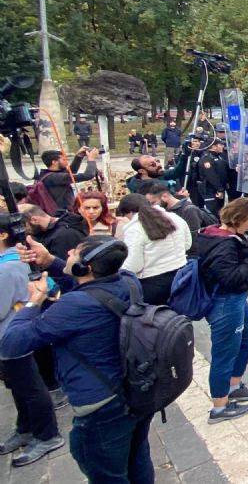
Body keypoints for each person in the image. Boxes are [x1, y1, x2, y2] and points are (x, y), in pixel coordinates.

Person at [1, 236, 150, 480]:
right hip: (134, 388)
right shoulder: (128, 281)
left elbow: (11, 344)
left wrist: (33, 302)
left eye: (75, 252)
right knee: (137, 457)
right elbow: (92, 288)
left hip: (100, 403)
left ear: (85, 267)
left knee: (106, 472)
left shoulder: (74, 306)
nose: (68, 251)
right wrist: (51, 261)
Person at [192, 197, 248, 422]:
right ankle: (219, 406)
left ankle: (233, 384)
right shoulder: (223, 243)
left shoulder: (218, 234)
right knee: (224, 352)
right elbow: (231, 277)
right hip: (225, 301)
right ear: (239, 219)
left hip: (235, 299)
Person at [0, 213, 63, 468]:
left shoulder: (8, 267)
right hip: (13, 335)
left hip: (12, 336)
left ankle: (47, 434)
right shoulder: (12, 261)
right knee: (18, 387)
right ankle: (25, 427)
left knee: (30, 387)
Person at [114, 193, 190, 305]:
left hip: (153, 283)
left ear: (129, 212)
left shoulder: (135, 228)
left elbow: (134, 265)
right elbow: (187, 244)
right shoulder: (174, 217)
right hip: (181, 275)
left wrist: (118, 271)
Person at [34, 148, 99, 212]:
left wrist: (78, 156)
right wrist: (91, 159)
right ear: (54, 162)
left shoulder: (50, 174)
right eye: (64, 159)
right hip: (62, 215)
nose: (66, 162)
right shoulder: (55, 177)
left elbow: (71, 171)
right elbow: (88, 175)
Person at [18, 204, 87, 262]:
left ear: (34, 220)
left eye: (23, 226)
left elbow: (65, 270)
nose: (24, 230)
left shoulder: (63, 235)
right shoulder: (47, 231)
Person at [144, 181, 211, 234]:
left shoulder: (189, 210)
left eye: (153, 203)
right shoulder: (165, 211)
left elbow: (194, 239)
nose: (152, 207)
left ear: (164, 196)